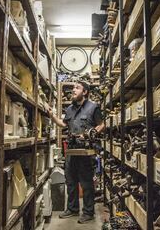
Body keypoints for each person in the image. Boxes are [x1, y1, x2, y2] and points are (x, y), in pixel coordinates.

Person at [48, 81, 105, 224]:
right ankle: (72, 209)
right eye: (73, 87)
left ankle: (88, 212)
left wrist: (90, 133)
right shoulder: (70, 109)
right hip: (71, 150)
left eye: (77, 88)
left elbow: (102, 124)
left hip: (86, 151)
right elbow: (63, 124)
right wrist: (52, 116)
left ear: (85, 92)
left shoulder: (93, 107)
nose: (73, 90)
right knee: (71, 182)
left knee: (86, 183)